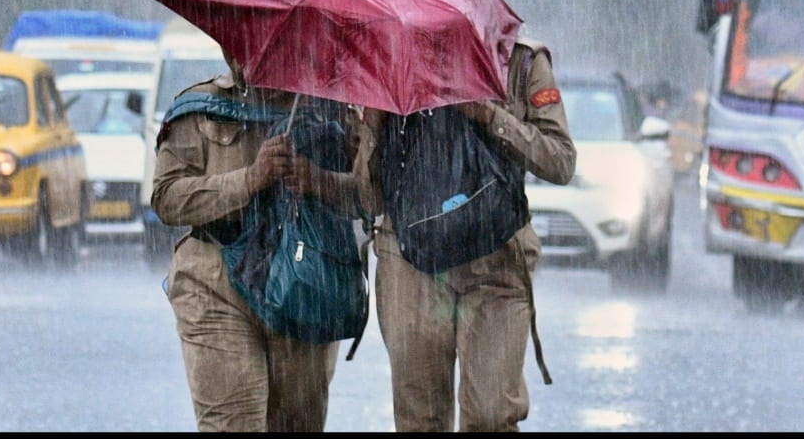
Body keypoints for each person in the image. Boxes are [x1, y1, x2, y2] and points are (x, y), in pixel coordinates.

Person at [353, 25, 577, 432]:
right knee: (420, 418)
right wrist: (375, 124)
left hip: (496, 254)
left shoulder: (520, 61)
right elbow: (368, 200)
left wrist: (490, 115)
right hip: (410, 259)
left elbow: (560, 161)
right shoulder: (388, 60)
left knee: (491, 415)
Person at [151, 47, 361, 432]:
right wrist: (249, 179)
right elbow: (167, 199)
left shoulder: (330, 109)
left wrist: (320, 180)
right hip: (215, 282)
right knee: (232, 424)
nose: (245, 54)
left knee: (298, 424)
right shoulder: (201, 106)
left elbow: (369, 197)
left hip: (303, 284)